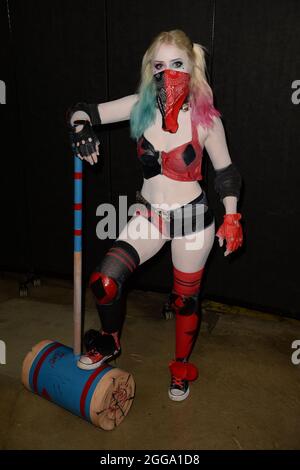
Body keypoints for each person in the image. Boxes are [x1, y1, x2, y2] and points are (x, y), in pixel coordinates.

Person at [66, 29, 243, 402]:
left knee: (185, 300)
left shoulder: (205, 120)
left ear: (192, 67)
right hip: (151, 215)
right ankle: (110, 340)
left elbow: (226, 172)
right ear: (150, 70)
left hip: (193, 221)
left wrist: (231, 215)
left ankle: (180, 367)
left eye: (177, 64)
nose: (168, 74)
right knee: (104, 281)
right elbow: (83, 110)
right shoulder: (138, 106)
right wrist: (80, 128)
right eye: (159, 65)